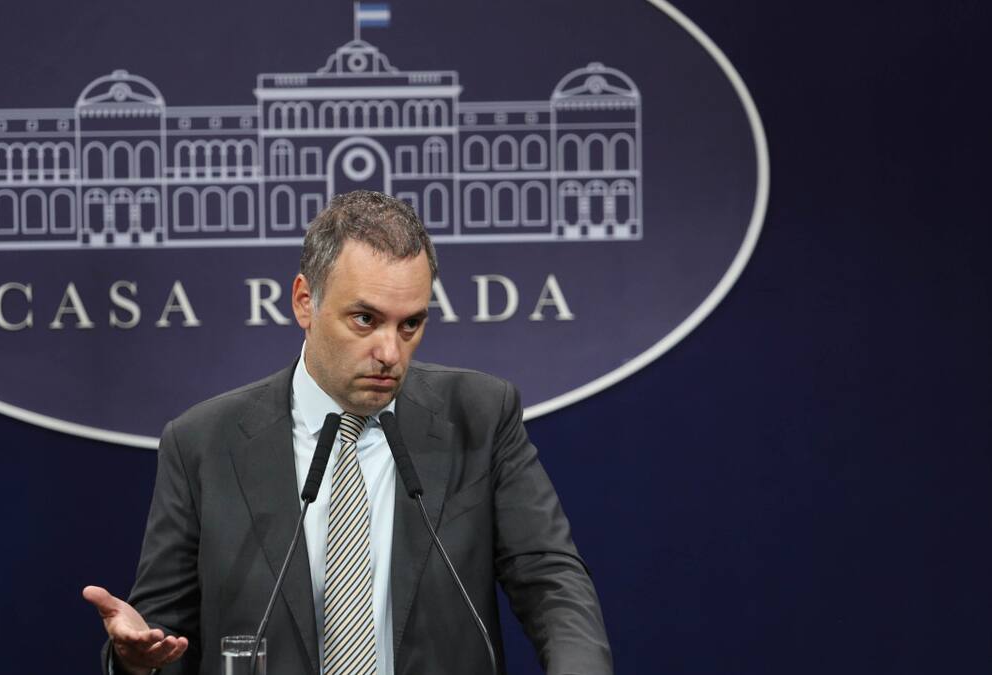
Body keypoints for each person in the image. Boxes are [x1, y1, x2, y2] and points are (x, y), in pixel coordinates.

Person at [84, 191, 612, 674]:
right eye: (365, 319)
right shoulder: (203, 442)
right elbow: (158, 633)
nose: (390, 352)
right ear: (304, 302)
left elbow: (551, 581)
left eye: (410, 324)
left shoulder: (480, 415)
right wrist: (135, 661)